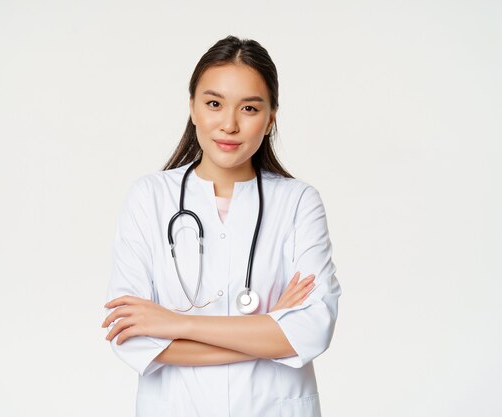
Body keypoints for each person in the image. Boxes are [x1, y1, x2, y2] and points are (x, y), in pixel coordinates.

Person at [101, 35, 342, 417]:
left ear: (270, 119)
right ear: (193, 108)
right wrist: (269, 331)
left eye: (249, 108)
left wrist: (175, 324)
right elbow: (130, 338)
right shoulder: (149, 197)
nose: (229, 124)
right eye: (214, 104)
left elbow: (312, 332)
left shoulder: (298, 202)